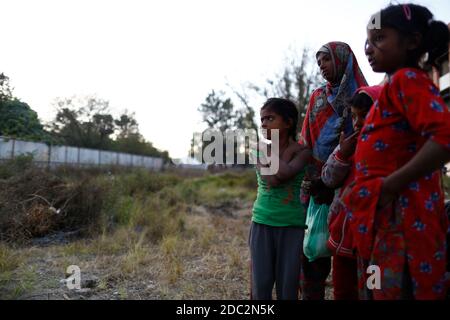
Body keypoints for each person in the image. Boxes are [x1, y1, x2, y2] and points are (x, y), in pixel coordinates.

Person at [342, 3, 450, 299]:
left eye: (379, 39)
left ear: (412, 41)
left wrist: (391, 184)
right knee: (376, 287)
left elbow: (445, 136)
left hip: (402, 226)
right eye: (367, 40)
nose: (368, 48)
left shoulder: (408, 81)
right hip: (383, 223)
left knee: (396, 290)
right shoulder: (392, 88)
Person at [299, 41, 367, 300]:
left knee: (348, 256)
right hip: (316, 184)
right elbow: (307, 138)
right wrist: (312, 179)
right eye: (318, 63)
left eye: (326, 60)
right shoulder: (317, 96)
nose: (322, 67)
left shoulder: (363, 96)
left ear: (342, 60)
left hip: (349, 184)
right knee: (312, 252)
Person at [321, 86, 383, 300]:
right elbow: (328, 178)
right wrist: (343, 155)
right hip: (343, 235)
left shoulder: (390, 149)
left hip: (373, 241)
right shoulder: (348, 145)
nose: (357, 123)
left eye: (364, 116)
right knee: (343, 290)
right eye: (354, 116)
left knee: (372, 289)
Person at [249, 98, 311, 300]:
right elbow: (271, 179)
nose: (264, 124)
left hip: (291, 225)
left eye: (270, 118)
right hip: (262, 222)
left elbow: (283, 174)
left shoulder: (303, 152)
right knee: (261, 285)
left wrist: (271, 151)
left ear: (288, 122)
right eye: (262, 120)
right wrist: (270, 149)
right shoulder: (258, 149)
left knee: (288, 286)